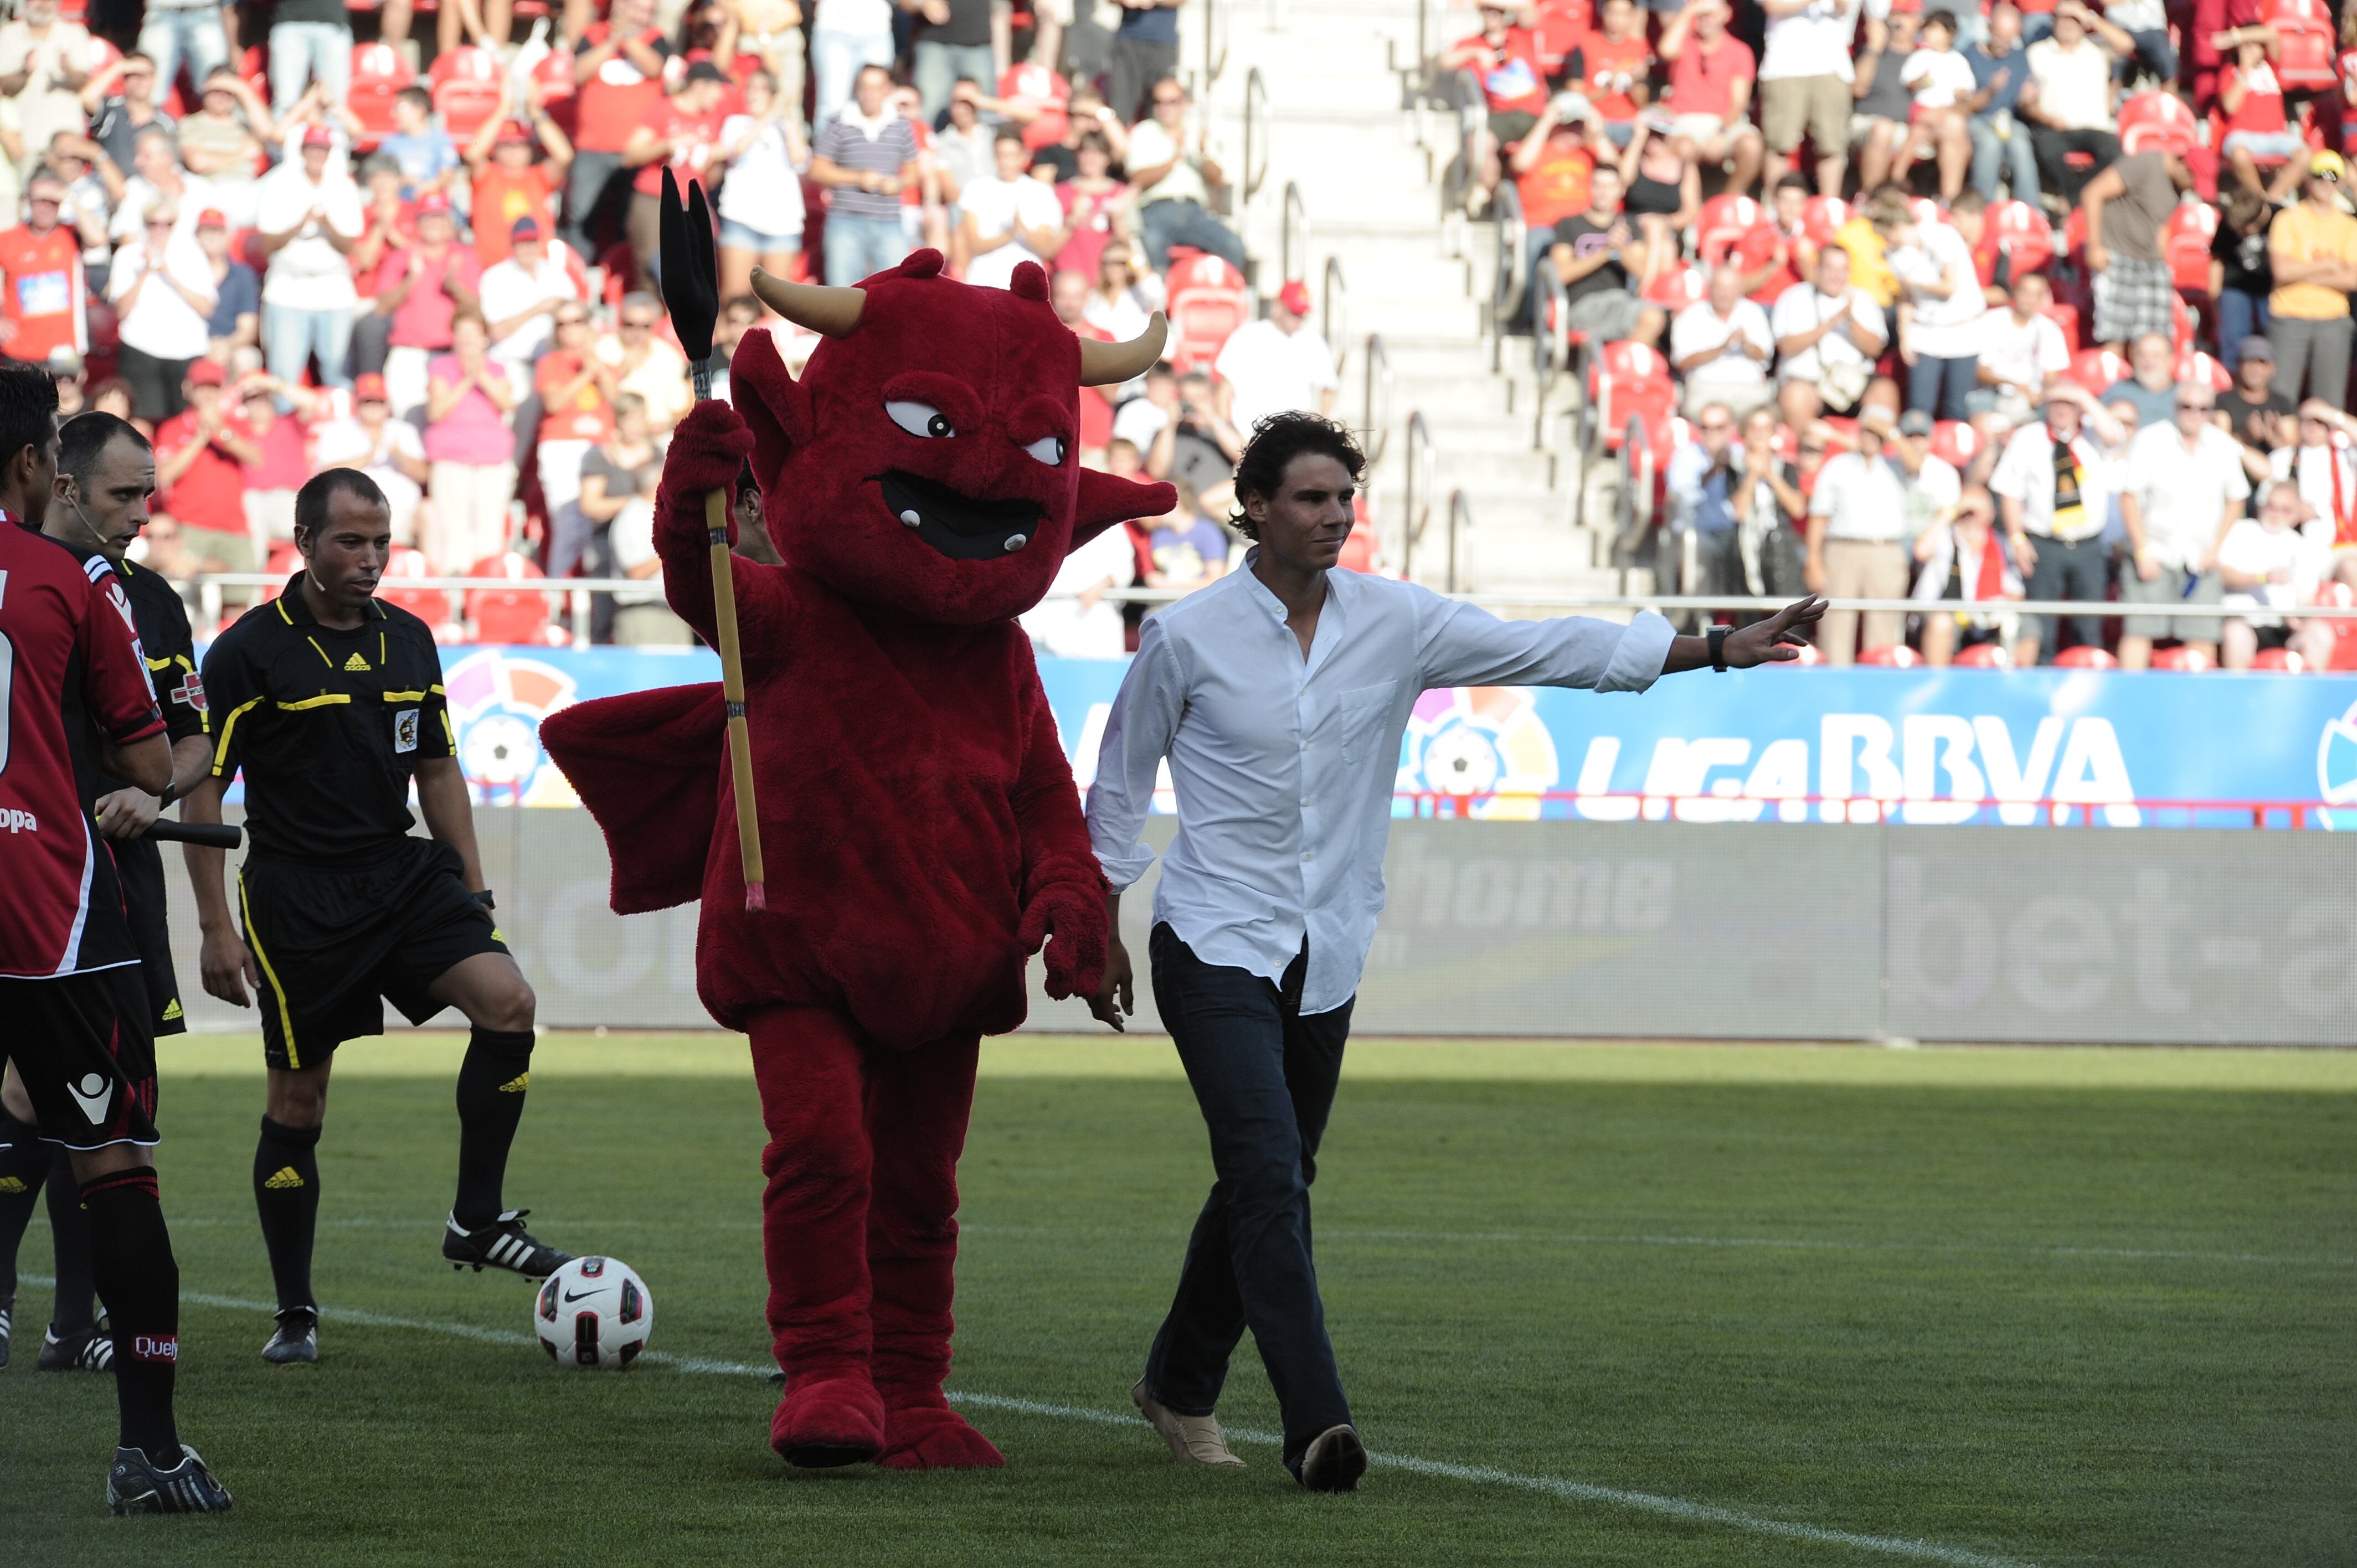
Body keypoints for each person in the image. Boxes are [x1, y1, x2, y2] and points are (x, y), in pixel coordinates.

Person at [1084, 410, 1824, 1489]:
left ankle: (1178, 1385)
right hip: (1210, 940)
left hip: (1324, 948)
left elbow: (1551, 647)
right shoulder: (1186, 637)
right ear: (1252, 507)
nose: (1334, 515)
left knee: (1270, 1177)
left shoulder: (1397, 620)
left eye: (1344, 496)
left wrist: (1715, 650)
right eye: (1309, 497)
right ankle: (1315, 1426)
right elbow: (1118, 782)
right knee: (1265, 1173)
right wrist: (1099, 921)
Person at [183, 468, 576, 1367]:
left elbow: (437, 767)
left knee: (508, 1001)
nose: (369, 560)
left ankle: (476, 1221)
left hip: (400, 876)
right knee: (299, 1099)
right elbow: (204, 785)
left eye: (381, 543)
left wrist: (472, 892)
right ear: (304, 542)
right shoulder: (248, 652)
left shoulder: (410, 639)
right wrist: (214, 925)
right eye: (350, 543)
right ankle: (294, 1311)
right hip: (298, 897)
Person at [0, 367, 231, 1515]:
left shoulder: (126, 588)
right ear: (37, 468)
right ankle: (148, 1451)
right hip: (47, 902)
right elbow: (153, 760)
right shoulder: (73, 587)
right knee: (116, 1166)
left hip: (58, 900)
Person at [2114, 376, 2242, 668]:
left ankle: (2200, 707)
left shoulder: (2223, 445)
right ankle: (2127, 702)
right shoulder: (2151, 439)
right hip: (2155, 551)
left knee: (2202, 637)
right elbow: (2129, 497)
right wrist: (2142, 550)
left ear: (2211, 411)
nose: (2194, 414)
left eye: (2202, 408)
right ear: (2175, 407)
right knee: (2138, 633)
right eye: (2187, 406)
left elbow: (2237, 499)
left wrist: (2216, 548)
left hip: (2200, 557)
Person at [1990, 381, 2116, 663]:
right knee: (2040, 628)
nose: (2062, 409)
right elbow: (2011, 491)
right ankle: (2040, 688)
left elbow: (2115, 435)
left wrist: (2083, 395)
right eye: (2056, 402)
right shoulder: (2028, 438)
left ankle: (2089, 686)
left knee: (2088, 627)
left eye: (2069, 403)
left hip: (2088, 546)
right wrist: (2017, 539)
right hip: (2043, 545)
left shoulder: (2093, 435)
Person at [252, 123, 363, 396]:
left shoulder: (343, 185)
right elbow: (268, 244)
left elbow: (349, 245)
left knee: (336, 374)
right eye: (313, 148)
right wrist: (299, 224)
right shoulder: (280, 182)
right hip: (289, 286)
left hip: (332, 287)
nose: (317, 154)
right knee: (285, 375)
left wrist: (327, 224)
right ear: (302, 150)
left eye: (323, 149)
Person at [563, 0, 674, 265]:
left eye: (648, 10)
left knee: (630, 218)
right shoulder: (593, 35)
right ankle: (580, 272)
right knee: (581, 214)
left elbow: (654, 67)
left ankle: (620, 275)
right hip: (594, 146)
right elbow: (579, 73)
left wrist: (627, 38)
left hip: (636, 151)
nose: (642, 15)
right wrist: (612, 41)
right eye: (637, 7)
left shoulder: (656, 39)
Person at [1805, 403, 1911, 661]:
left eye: (1877, 433)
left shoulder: (1898, 466)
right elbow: (1818, 518)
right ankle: (1834, 688)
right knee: (1836, 625)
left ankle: (1881, 687)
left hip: (1885, 550)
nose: (1871, 437)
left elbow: (1917, 463)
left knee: (1884, 628)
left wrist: (1891, 433)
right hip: (1842, 549)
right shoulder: (1837, 466)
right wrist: (1814, 561)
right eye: (1867, 430)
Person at [623, 60, 733, 294]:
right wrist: (666, 145)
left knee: (699, 269)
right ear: (700, 86)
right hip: (656, 199)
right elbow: (631, 155)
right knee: (654, 271)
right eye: (716, 89)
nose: (720, 97)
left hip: (693, 201)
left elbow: (710, 176)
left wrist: (716, 158)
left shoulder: (713, 118)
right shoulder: (663, 109)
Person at [423, 310, 520, 571]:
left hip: (491, 456)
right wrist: (467, 379)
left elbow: (506, 404)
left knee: (489, 523)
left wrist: (481, 375)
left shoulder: (497, 369)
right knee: (453, 524)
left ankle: (485, 580)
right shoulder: (441, 368)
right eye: (462, 333)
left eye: (473, 333)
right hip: (452, 455)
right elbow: (437, 411)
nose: (467, 340)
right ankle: (454, 582)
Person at [151, 359, 262, 585]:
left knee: (240, 604)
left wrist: (221, 430)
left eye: (213, 388)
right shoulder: (172, 428)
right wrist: (200, 438)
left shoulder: (234, 425)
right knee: (188, 602)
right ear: (188, 389)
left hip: (234, 528)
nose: (208, 394)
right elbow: (164, 476)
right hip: (188, 528)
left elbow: (256, 458)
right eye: (202, 387)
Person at [374, 192, 482, 419]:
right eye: (429, 218)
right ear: (418, 223)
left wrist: (454, 286)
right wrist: (411, 279)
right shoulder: (401, 257)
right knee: (407, 421)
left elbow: (476, 306)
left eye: (440, 217)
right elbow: (382, 307)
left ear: (449, 222)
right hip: (409, 353)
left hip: (451, 354)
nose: (434, 224)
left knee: (450, 422)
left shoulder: (463, 256)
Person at [811, 63, 919, 285]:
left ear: (888, 90)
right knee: (842, 296)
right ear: (857, 89)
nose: (870, 94)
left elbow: (913, 173)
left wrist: (897, 184)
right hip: (845, 219)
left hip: (889, 220)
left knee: (895, 292)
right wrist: (858, 178)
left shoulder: (901, 125)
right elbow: (817, 170)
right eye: (865, 87)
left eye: (877, 87)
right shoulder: (839, 122)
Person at [107, 204, 216, 424]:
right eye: (153, 224)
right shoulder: (128, 255)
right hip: (141, 348)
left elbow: (206, 307)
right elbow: (121, 309)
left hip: (186, 350)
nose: (160, 230)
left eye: (167, 224)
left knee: (187, 420)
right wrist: (145, 271)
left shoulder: (193, 255)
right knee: (142, 421)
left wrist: (170, 274)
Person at [2268, 151, 2357, 411]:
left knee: (2328, 405)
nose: (2326, 183)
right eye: (2320, 177)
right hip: (2288, 317)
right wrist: (2329, 266)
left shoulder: (2349, 226)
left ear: (2341, 182)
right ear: (2309, 180)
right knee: (2280, 400)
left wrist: (2303, 273)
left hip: (2333, 320)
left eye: (2332, 178)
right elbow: (2281, 272)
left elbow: (2353, 279)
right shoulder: (2288, 219)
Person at [1442, 2, 1554, 208]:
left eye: (1497, 10)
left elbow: (1527, 7)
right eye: (1486, 11)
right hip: (1502, 116)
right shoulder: (1472, 43)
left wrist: (1479, 1)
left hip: (1537, 112)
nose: (1492, 15)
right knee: (1479, 142)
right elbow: (1443, 62)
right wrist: (1474, 54)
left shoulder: (1521, 34)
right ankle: (1497, 200)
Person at [1128, 78, 1246, 273]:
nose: (1165, 108)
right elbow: (1138, 179)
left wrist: (1203, 153)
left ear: (1185, 104)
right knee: (1151, 243)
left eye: (1172, 102)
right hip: (1156, 210)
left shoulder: (1197, 134)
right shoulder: (1144, 132)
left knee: (1232, 245)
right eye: (1159, 102)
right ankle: (1159, 299)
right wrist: (1175, 158)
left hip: (1194, 212)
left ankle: (1223, 297)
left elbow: (1217, 179)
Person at [2081, 147, 2189, 353]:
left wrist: (2163, 264)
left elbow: (2162, 223)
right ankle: (2112, 383)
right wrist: (2095, 246)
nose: (2193, 187)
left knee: (2153, 341)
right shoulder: (2144, 165)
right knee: (2114, 337)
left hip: (2151, 263)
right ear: (2182, 165)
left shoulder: (2179, 185)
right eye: (2193, 178)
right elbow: (2092, 193)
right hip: (2116, 256)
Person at [2217, 479, 2334, 667]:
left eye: (2285, 509)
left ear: (2295, 514)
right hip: (2245, 622)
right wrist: (2262, 578)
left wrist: (2301, 616)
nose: (2276, 514)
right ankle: (2236, 693)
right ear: (2262, 506)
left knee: (2320, 634)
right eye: (2272, 506)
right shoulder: (2241, 531)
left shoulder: (2301, 546)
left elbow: (2306, 596)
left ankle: (2313, 693)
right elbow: (2221, 575)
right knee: (2236, 635)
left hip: (2284, 626)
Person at [714, 68, 809, 301]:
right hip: (741, 219)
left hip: (782, 224)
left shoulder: (788, 126)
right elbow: (736, 149)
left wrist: (789, 121)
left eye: (762, 89)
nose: (754, 94)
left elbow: (800, 161)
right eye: (751, 88)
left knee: (778, 303)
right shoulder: (736, 123)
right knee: (734, 298)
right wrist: (767, 117)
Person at [533, 305, 614, 575]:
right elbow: (554, 402)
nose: (570, 328)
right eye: (562, 323)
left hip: (600, 447)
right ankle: (560, 598)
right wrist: (586, 374)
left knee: (596, 531)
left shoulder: (604, 360)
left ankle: (587, 605)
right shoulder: (551, 362)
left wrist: (595, 364)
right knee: (569, 527)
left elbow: (616, 401)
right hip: (562, 446)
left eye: (577, 321)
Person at [1550, 163, 1665, 350]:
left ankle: (1621, 370)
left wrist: (1621, 250)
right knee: (1651, 317)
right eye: (1598, 185)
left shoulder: (1629, 225)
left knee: (1665, 318)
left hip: (1622, 300)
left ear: (1620, 190)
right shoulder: (1569, 225)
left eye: (1609, 186)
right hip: (1583, 305)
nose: (1603, 192)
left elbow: (1644, 275)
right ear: (1589, 187)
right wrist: (1605, 252)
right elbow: (1560, 275)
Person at [1772, 236, 1884, 429]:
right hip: (1809, 383)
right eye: (1831, 269)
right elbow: (1786, 347)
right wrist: (1830, 323)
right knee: (1795, 396)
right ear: (1818, 269)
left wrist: (1850, 320)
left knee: (1885, 391)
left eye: (1842, 270)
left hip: (1854, 383)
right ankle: (1806, 450)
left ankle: (1877, 454)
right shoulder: (1795, 297)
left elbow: (1875, 349)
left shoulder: (1863, 299)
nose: (1836, 276)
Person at [1755, 0, 1864, 195]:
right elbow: (1773, 6)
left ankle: (1829, 208)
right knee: (1779, 143)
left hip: (1831, 65)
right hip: (1784, 65)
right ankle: (1774, 207)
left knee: (1831, 144)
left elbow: (1844, 7)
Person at [310, 372, 429, 544]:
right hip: (355, 515)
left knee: (430, 512)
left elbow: (424, 475)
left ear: (387, 405)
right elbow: (326, 476)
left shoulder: (402, 430)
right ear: (357, 404)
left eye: (378, 402)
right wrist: (368, 456)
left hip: (404, 513)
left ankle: (438, 570)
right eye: (367, 402)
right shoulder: (337, 430)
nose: (373, 408)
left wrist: (398, 456)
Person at [2021, 1, 2121, 206]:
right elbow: (2025, 101)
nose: (2068, 24)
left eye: (2074, 19)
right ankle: (2079, 198)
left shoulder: (2097, 50)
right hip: (2056, 128)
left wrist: (2090, 17)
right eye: (2063, 18)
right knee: (2046, 148)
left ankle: (2073, 198)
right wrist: (2046, 118)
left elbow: (2127, 45)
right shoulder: (2037, 53)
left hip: (2094, 129)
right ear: (2054, 21)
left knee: (2116, 151)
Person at [1658, 0, 1763, 195]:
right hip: (1685, 121)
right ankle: (1690, 209)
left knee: (1751, 146)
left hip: (1724, 122)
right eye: (1702, 15)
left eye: (1712, 14)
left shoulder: (1740, 51)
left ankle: (1729, 201)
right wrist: (1690, 10)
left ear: (1727, 15)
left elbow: (1739, 101)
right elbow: (1666, 49)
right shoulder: (1685, 43)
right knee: (1684, 149)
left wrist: (1721, 133)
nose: (1707, 20)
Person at [1911, 483, 2024, 662]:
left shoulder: (2000, 544)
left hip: (1987, 618)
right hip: (1943, 614)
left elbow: (2017, 593)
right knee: (1942, 622)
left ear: (1991, 514)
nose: (1971, 517)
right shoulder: (1944, 538)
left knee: (2027, 626)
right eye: (1967, 512)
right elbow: (1921, 551)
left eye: (1977, 512)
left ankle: (2016, 686)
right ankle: (1938, 684)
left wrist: (1994, 608)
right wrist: (1952, 511)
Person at [465, 94, 574, 270]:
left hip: (535, 267)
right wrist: (501, 112)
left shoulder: (539, 176)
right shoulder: (487, 176)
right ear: (496, 150)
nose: (513, 151)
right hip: (491, 267)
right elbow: (472, 153)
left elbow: (564, 155)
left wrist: (537, 114)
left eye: (520, 145)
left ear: (530, 150)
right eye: (506, 145)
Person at [1213, 279, 1338, 432]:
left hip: (1293, 442)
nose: (1298, 320)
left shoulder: (1313, 341)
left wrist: (1322, 426)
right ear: (1278, 307)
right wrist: (1227, 429)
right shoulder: (1248, 335)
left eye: (1302, 315)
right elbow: (1225, 389)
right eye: (1294, 313)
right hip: (1247, 439)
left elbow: (1329, 388)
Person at [477, 218, 580, 386]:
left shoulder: (556, 275)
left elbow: (577, 316)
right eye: (522, 243)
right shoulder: (495, 278)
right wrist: (539, 308)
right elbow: (496, 331)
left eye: (532, 242)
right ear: (513, 245)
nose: (528, 249)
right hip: (510, 365)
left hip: (551, 366)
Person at [957, 128, 1066, 288]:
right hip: (982, 283)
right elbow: (974, 244)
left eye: (1011, 156)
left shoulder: (1042, 192)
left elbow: (1046, 248)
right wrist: (1010, 234)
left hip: (1025, 289)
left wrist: (1021, 229)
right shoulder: (976, 188)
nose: (1005, 162)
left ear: (1024, 156)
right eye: (1000, 155)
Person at [0, 168, 85, 370]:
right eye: (40, 201)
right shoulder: (8, 239)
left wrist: (69, 197)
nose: (46, 208)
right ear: (28, 202)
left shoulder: (70, 235)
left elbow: (98, 238)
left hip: (63, 352)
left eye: (53, 202)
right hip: (19, 352)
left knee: (64, 403)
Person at [1670, 262, 1774, 417]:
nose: (1725, 294)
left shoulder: (1753, 313)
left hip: (1748, 389)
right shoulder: (1692, 315)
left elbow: (1765, 356)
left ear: (1740, 290)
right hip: (1705, 389)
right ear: (1710, 288)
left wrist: (1746, 344)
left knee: (1762, 418)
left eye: (1731, 289)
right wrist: (1722, 348)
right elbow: (1682, 361)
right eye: (1720, 288)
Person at [1896, 10, 1976, 202]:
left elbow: (1967, 91)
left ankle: (1949, 196)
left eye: (1936, 30)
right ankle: (1952, 197)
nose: (1930, 34)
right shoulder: (1921, 57)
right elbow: (1908, 82)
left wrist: (1961, 94)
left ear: (1950, 34)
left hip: (1948, 115)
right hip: (1925, 112)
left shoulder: (1958, 60)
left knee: (1952, 136)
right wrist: (1920, 80)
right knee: (1957, 128)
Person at [173, 69, 269, 228]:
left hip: (245, 189)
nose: (221, 97)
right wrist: (243, 154)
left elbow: (268, 132)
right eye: (216, 91)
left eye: (228, 92)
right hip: (207, 188)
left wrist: (242, 89)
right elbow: (198, 163)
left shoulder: (246, 124)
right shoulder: (191, 123)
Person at [1963, 2, 2039, 202]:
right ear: (1989, 29)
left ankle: (2031, 209)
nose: (2003, 44)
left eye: (2009, 39)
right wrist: (1991, 90)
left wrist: (2029, 97)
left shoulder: (2019, 58)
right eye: (1998, 37)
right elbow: (1966, 105)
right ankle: (1983, 207)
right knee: (1990, 143)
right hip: (1977, 119)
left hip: (2007, 121)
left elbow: (2026, 101)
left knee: (2020, 141)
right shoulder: (1970, 54)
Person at [2218, 36, 2304, 202]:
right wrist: (2245, 68)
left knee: (2305, 154)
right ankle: (2260, 201)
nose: (2251, 49)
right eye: (2247, 45)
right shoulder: (2230, 70)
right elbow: (2230, 106)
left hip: (2277, 136)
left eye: (2256, 45)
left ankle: (2272, 200)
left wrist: (2239, 34)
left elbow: (2271, 32)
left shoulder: (2273, 68)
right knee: (2239, 155)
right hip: (2242, 135)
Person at [2210, 188, 2276, 371]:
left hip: (2272, 288)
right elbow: (2217, 259)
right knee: (2232, 335)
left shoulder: (2280, 216)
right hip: (2235, 287)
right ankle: (2232, 382)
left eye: (2246, 227)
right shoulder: (2229, 221)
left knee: (2275, 335)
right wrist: (2214, 296)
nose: (2244, 232)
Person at [905, 0, 994, 123]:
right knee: (928, 113)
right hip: (934, 44)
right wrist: (922, 3)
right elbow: (905, 3)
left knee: (986, 114)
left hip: (979, 44)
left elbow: (1001, 11)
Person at [812, 0, 896, 128]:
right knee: (833, 105)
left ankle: (877, 148)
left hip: (877, 28)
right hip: (833, 27)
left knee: (877, 102)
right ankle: (827, 148)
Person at [195, 208, 260, 359]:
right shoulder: (185, 271)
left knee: (247, 358)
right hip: (191, 345)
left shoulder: (243, 275)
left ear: (228, 236)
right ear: (197, 236)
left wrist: (226, 345)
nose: (211, 237)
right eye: (206, 232)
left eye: (217, 231)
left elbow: (248, 328)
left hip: (228, 346)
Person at [2101, 331, 2180, 427]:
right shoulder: (2117, 392)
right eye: (2142, 355)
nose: (2149, 361)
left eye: (2156, 356)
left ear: (2171, 360)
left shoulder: (2187, 396)